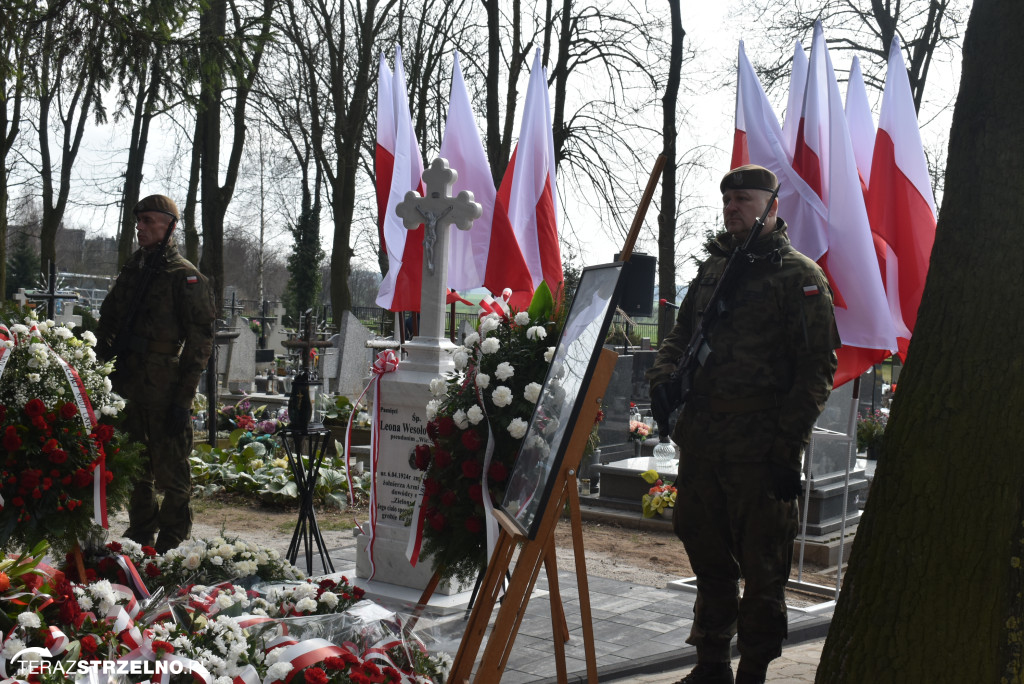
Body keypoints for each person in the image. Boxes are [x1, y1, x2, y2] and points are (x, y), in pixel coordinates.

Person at [646, 165, 839, 684]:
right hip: (704, 443)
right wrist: (663, 380)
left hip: (760, 450)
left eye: (745, 199)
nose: (733, 207)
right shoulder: (713, 270)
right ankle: (710, 664)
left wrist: (787, 448)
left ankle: (753, 670)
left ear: (772, 206)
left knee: (763, 568)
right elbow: (680, 335)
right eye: (728, 198)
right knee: (706, 556)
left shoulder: (799, 277)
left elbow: (816, 369)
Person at [97, 194, 216, 553]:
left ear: (170, 225)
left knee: (171, 469)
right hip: (128, 380)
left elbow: (200, 343)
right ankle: (140, 534)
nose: (141, 227)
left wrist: (184, 397)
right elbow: (109, 319)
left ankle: (172, 541)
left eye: (149, 220)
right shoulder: (134, 269)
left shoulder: (185, 277)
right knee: (134, 465)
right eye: (139, 221)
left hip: (165, 385)